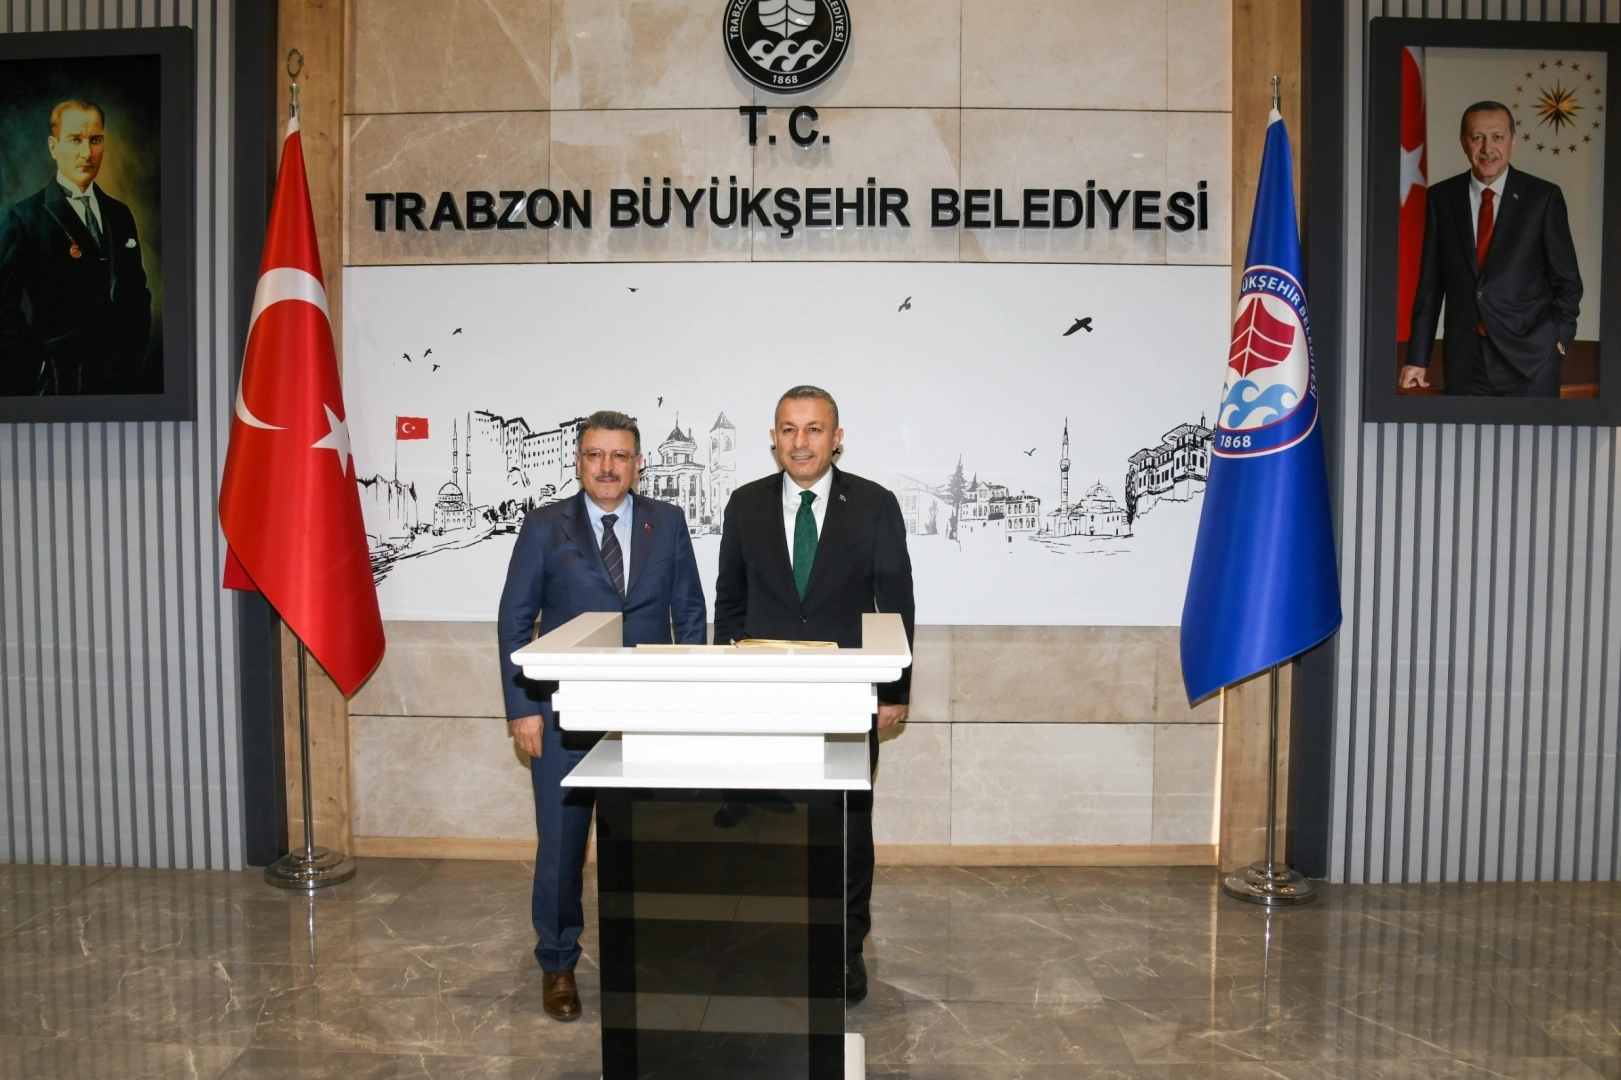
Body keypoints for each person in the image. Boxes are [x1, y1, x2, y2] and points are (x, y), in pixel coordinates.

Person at [497, 410, 708, 1022]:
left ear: (638, 464)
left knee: (646, 840)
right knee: (562, 846)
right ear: (578, 461)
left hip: (646, 715)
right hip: (562, 717)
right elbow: (515, 621)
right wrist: (523, 709)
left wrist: (687, 703)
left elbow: (689, 613)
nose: (607, 467)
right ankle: (558, 962)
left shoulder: (668, 522)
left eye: (619, 456)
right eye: (595, 455)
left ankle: (646, 956)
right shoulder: (544, 526)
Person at [712, 385, 915, 1005]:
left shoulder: (874, 505)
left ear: (836, 438)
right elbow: (730, 603)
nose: (801, 442)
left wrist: (893, 689)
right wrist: (727, 686)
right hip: (764, 699)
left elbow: (895, 603)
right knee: (769, 826)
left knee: (846, 829)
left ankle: (845, 950)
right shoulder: (744, 504)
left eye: (814, 429)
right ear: (773, 438)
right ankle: (773, 942)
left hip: (845, 698)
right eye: (789, 429)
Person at [1403, 100, 1582, 397]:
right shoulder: (1441, 198)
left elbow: (1568, 283)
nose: (1488, 148)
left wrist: (1558, 340)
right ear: (1464, 143)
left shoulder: (1543, 198)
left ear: (1512, 141)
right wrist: (1417, 359)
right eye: (1478, 137)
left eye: (1497, 137)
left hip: (1531, 362)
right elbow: (1431, 287)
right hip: (1466, 363)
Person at [0, 99, 153, 396]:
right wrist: (39, 368)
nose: (87, 153)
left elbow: (137, 294)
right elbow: (3, 312)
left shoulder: (119, 214)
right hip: (61, 386)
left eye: (95, 140)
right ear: (53, 146)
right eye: (75, 140)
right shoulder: (22, 218)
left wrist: (132, 359)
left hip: (120, 383)